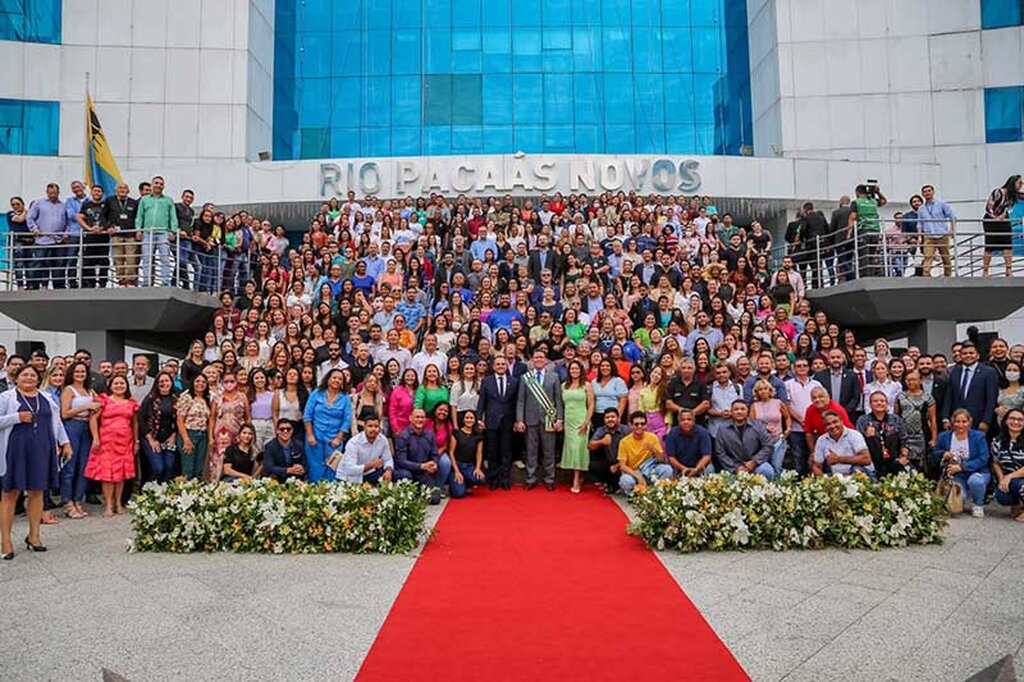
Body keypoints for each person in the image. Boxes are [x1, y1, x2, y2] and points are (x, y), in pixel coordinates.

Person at [0, 365, 71, 559]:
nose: (29, 378)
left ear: (39, 379)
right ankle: (5, 541)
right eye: (25, 375)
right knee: (10, 493)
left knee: (37, 492)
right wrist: (16, 417)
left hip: (42, 449)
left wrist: (65, 442)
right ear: (16, 378)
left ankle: (34, 536)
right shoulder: (6, 397)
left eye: (33, 375)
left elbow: (56, 422)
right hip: (15, 450)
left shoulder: (46, 398)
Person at [86, 375, 139, 517]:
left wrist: (136, 442)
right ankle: (108, 505)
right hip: (106, 442)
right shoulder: (103, 400)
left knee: (121, 475)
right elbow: (93, 419)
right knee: (107, 475)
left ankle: (118, 503)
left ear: (127, 386)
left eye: (122, 383)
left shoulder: (131, 403)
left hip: (125, 442)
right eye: (116, 383)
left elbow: (135, 423)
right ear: (110, 386)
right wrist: (95, 438)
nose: (119, 386)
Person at [516, 349, 564, 491]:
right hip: (530, 420)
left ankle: (549, 478)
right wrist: (520, 420)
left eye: (541, 357)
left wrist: (560, 419)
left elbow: (558, 400)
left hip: (549, 420)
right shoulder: (525, 377)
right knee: (531, 451)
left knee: (549, 451)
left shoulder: (554, 377)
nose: (538, 359)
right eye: (536, 357)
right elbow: (520, 401)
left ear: (545, 360)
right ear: (532, 360)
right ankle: (531, 478)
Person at [932, 408, 991, 517]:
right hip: (957, 475)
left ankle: (978, 504)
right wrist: (943, 454)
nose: (961, 425)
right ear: (952, 422)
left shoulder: (979, 436)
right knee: (959, 498)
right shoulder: (944, 436)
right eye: (957, 421)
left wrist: (962, 467)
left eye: (964, 421)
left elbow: (983, 458)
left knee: (975, 481)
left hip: (978, 472)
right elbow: (934, 453)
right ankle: (962, 501)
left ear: (969, 422)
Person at [59, 361, 100, 519]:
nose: (80, 374)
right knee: (70, 466)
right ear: (72, 373)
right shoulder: (68, 390)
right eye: (77, 371)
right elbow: (64, 413)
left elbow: (99, 404)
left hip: (87, 428)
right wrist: (86, 407)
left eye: (83, 372)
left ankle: (77, 500)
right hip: (72, 426)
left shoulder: (90, 390)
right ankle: (67, 501)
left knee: (84, 467)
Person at [302, 368, 353, 483]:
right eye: (334, 377)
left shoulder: (345, 398)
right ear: (328, 379)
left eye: (340, 379)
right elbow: (307, 416)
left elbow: (346, 420)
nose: (337, 380)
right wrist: (310, 435)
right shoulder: (317, 393)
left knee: (333, 470)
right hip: (315, 437)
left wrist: (338, 438)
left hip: (334, 439)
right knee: (315, 470)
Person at [476, 355, 518, 491]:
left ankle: (505, 479)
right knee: (492, 452)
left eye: (503, 364)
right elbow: (482, 401)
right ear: (493, 367)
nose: (500, 366)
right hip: (491, 421)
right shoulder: (487, 381)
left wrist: (518, 420)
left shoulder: (514, 381)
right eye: (498, 364)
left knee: (506, 452)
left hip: (508, 421)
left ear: (506, 367)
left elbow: (517, 402)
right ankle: (493, 479)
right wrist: (479, 418)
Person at [394, 408, 451, 504]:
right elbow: (401, 461)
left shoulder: (430, 435)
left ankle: (419, 492)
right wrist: (421, 466)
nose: (420, 420)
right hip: (409, 472)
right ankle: (413, 491)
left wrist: (434, 464)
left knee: (435, 499)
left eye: (422, 417)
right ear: (410, 418)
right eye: (417, 417)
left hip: (425, 473)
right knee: (405, 475)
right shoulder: (403, 436)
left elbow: (435, 454)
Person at [942, 341, 999, 432]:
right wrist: (945, 418)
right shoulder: (955, 372)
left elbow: (991, 399)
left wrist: (986, 421)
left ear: (978, 355)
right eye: (964, 353)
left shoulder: (988, 372)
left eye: (971, 353)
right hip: (957, 422)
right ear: (960, 356)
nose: (968, 355)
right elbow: (949, 397)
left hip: (979, 421)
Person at [715, 400, 776, 479]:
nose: (739, 412)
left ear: (747, 411)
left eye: (742, 409)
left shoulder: (758, 425)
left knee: (767, 471)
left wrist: (754, 462)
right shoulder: (722, 429)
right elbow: (720, 452)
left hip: (756, 462)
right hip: (733, 465)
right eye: (736, 409)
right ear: (731, 412)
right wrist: (735, 468)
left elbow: (768, 445)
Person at [616, 411, 673, 494]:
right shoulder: (624, 442)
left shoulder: (652, 437)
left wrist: (654, 449)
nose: (640, 426)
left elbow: (662, 460)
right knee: (625, 481)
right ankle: (638, 493)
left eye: (642, 424)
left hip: (650, 471)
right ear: (631, 425)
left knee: (667, 469)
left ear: (646, 425)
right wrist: (639, 477)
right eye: (636, 424)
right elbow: (623, 466)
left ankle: (655, 491)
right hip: (634, 473)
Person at [136, 175, 178, 287]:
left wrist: (173, 231)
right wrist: (138, 230)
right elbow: (139, 216)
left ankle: (165, 282)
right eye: (156, 183)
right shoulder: (144, 200)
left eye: (161, 184)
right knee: (147, 258)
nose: (158, 185)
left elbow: (173, 217)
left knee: (165, 258)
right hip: (147, 232)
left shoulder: (168, 200)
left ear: (163, 186)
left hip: (163, 233)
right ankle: (146, 282)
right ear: (152, 184)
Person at [856, 391, 910, 478]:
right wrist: (867, 436)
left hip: (894, 459)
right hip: (872, 461)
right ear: (870, 405)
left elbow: (905, 440)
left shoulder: (896, 419)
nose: (879, 403)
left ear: (887, 404)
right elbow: (858, 443)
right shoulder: (863, 420)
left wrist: (903, 456)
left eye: (882, 401)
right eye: (875, 401)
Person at [207, 372, 249, 482]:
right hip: (220, 434)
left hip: (237, 433)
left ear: (236, 382)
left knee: (235, 459)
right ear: (221, 382)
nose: (229, 384)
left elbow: (248, 417)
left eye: (232, 381)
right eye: (226, 381)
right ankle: (216, 484)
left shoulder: (242, 397)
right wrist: (210, 437)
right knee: (219, 459)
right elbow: (212, 417)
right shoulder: (217, 397)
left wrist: (247, 433)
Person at [138, 372, 179, 483]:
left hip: (169, 438)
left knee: (170, 466)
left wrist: (174, 435)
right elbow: (141, 420)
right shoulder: (150, 399)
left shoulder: (176, 398)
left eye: (167, 381)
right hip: (150, 437)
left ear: (171, 382)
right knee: (158, 467)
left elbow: (179, 420)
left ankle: (164, 494)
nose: (164, 383)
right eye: (161, 381)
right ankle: (150, 491)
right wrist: (151, 440)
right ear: (156, 383)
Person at [560, 360, 594, 494]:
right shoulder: (564, 386)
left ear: (581, 370)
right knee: (571, 448)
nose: (574, 371)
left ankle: (576, 479)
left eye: (577, 369)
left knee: (578, 448)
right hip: (569, 420)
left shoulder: (587, 385)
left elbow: (591, 405)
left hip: (581, 420)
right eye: (572, 369)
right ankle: (579, 476)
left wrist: (586, 421)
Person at [894, 370, 938, 472]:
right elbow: (895, 417)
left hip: (922, 435)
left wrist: (934, 438)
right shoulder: (900, 396)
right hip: (904, 435)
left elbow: (932, 419)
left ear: (920, 381)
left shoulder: (927, 397)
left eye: (913, 380)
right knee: (905, 463)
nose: (910, 382)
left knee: (921, 465)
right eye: (907, 380)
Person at [812, 410, 875, 478]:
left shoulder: (854, 435)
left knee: (857, 469)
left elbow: (866, 459)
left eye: (835, 422)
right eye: (828, 424)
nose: (832, 426)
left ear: (841, 421)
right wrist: (823, 481)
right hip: (837, 476)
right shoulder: (821, 440)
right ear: (824, 427)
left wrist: (839, 459)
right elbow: (817, 466)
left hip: (862, 474)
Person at [339, 412, 393, 484]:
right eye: (370, 426)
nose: (373, 429)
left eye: (376, 426)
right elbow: (350, 469)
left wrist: (388, 470)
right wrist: (372, 465)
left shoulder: (382, 440)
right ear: (364, 427)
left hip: (369, 474)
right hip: (349, 477)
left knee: (397, 475)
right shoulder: (354, 442)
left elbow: (388, 459)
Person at [749, 379, 790, 474]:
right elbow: (751, 424)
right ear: (757, 392)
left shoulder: (778, 403)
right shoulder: (754, 406)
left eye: (765, 389)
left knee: (777, 466)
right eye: (760, 389)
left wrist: (788, 429)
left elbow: (787, 417)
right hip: (762, 442)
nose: (763, 391)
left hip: (778, 439)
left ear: (770, 390)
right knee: (765, 468)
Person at [982, 175, 1020, 278]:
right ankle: (985, 271)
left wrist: (1002, 216)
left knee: (1007, 244)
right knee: (989, 245)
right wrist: (995, 217)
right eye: (1019, 183)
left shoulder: (1013, 196)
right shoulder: (998, 192)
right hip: (991, 219)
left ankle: (1008, 270)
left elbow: (1008, 208)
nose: (1020, 186)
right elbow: (989, 206)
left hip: (1004, 220)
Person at [176, 374, 211, 480]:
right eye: (197, 381)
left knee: (199, 470)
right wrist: (186, 440)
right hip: (189, 433)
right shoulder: (187, 397)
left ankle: (197, 494)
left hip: (202, 435)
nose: (200, 384)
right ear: (193, 383)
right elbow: (180, 420)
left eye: (203, 382)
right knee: (188, 470)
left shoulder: (206, 398)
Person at [991, 408, 1024, 520]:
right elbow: (996, 463)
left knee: (1016, 484)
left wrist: (1008, 477)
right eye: (1012, 418)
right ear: (1005, 421)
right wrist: (1001, 480)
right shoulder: (997, 441)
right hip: (1011, 480)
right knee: (1001, 496)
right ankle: (1018, 504)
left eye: (1020, 420)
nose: (1016, 422)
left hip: (1018, 479)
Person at [916, 184, 956, 277]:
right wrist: (919, 236)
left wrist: (952, 229)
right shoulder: (921, 208)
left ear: (933, 192)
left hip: (942, 234)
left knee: (945, 256)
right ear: (922, 194)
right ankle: (926, 276)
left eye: (929, 191)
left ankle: (948, 275)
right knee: (927, 256)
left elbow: (952, 216)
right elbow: (919, 223)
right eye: (925, 192)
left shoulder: (941, 204)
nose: (927, 193)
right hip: (929, 236)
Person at [588, 408, 629, 494]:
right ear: (604, 420)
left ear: (618, 418)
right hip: (610, 461)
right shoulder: (601, 430)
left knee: (618, 470)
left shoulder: (626, 430)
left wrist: (618, 465)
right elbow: (590, 446)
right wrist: (602, 441)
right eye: (607, 417)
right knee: (594, 466)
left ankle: (616, 485)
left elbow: (632, 452)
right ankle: (609, 483)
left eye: (613, 417)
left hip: (625, 462)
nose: (610, 419)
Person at [814, 349, 862, 422]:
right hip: (825, 416)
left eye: (838, 357)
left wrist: (843, 411)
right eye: (832, 358)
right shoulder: (819, 376)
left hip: (847, 416)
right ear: (828, 359)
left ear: (843, 359)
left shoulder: (852, 375)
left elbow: (855, 397)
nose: (835, 360)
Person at [664, 409, 714, 477]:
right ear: (678, 421)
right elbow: (671, 457)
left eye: (689, 419)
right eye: (683, 420)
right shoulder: (672, 434)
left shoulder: (703, 433)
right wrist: (683, 469)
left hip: (699, 466)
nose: (686, 422)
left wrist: (696, 469)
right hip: (679, 467)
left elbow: (707, 456)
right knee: (669, 470)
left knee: (709, 469)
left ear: (694, 421)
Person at [448, 411, 486, 498]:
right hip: (457, 465)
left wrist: (477, 468)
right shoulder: (456, 433)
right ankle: (458, 484)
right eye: (467, 418)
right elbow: (451, 452)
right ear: (463, 419)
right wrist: (457, 471)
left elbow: (479, 453)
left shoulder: (478, 436)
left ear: (475, 420)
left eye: (471, 418)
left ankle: (467, 482)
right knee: (458, 494)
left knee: (481, 479)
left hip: (469, 466)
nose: (469, 420)